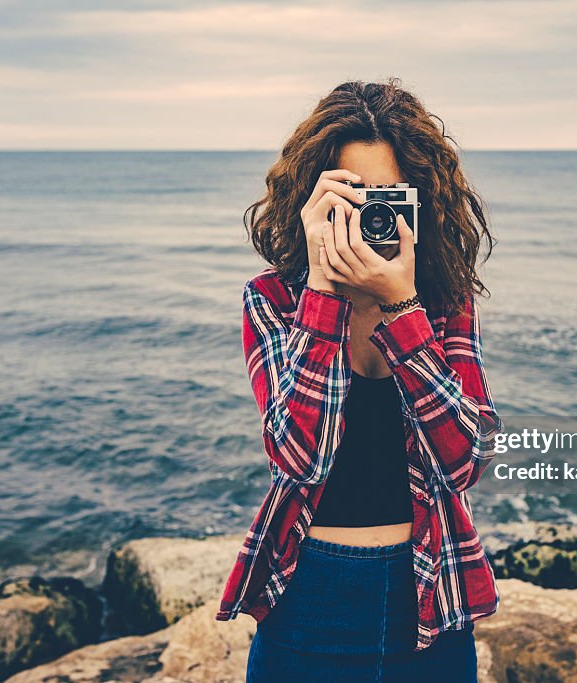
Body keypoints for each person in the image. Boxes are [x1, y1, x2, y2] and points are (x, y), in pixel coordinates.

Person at [215, 78, 503, 682]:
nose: (372, 212)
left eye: (389, 195)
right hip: (309, 592)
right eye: (352, 193)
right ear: (312, 199)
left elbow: (465, 463)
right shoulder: (273, 299)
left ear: (419, 199)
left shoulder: (443, 301)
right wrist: (322, 293)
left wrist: (403, 309)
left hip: (430, 592)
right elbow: (299, 457)